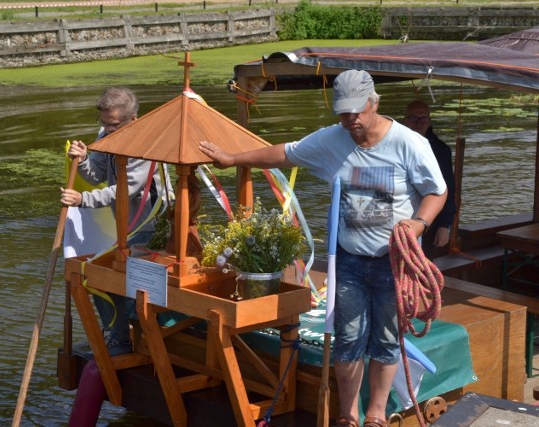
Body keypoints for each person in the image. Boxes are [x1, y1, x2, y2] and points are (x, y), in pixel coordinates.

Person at [199, 70, 447, 427]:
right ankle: (349, 415)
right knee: (347, 338)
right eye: (343, 113)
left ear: (374, 103)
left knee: (387, 338)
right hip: (347, 259)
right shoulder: (332, 139)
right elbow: (285, 154)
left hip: (393, 262)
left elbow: (437, 192)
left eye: (357, 112)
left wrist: (419, 223)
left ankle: (376, 413)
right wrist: (233, 158)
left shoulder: (409, 143)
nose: (351, 120)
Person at [61, 87, 168, 356]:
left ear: (133, 119)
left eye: (113, 125)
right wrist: (84, 159)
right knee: (97, 275)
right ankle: (119, 334)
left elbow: (124, 189)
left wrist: (82, 200)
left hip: (149, 224)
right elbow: (98, 174)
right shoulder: (107, 133)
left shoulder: (145, 145)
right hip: (122, 222)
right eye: (103, 123)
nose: (107, 130)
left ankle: (139, 338)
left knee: (137, 282)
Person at [404, 100, 457, 259]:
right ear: (405, 120)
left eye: (423, 119)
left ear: (429, 121)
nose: (419, 123)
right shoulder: (393, 145)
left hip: (429, 220)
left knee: (423, 265)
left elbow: (447, 189)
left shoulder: (441, 150)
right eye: (414, 118)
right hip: (401, 216)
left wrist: (444, 225)